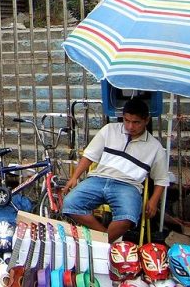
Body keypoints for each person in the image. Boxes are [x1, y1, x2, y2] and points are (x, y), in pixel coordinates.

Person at [62, 97, 169, 242]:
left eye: (136, 122)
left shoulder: (155, 147)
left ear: (146, 120)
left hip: (128, 186)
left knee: (127, 217)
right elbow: (89, 155)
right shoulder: (109, 130)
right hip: (98, 179)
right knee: (69, 204)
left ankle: (102, 243)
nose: (130, 126)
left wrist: (154, 201)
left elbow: (161, 179)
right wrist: (74, 177)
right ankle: (105, 240)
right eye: (127, 120)